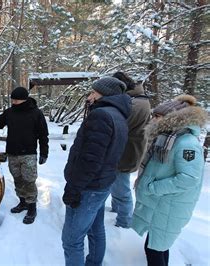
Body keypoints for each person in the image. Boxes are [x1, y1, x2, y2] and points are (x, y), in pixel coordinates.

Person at [62, 77, 131, 266]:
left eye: (93, 92)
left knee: (71, 240)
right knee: (95, 230)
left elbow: (90, 159)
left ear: (104, 94)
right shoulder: (118, 115)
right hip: (101, 183)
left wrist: (74, 188)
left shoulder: (101, 116)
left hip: (88, 187)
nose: (90, 95)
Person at [132, 95, 206, 266]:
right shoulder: (168, 138)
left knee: (155, 249)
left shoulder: (186, 143)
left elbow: (188, 179)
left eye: (158, 117)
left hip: (170, 205)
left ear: (172, 119)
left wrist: (153, 188)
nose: (153, 120)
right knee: (157, 245)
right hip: (162, 205)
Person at [0, 86, 49, 224]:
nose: (13, 102)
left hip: (29, 154)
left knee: (29, 181)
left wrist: (44, 152)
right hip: (13, 153)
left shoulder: (36, 113)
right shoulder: (10, 112)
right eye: (12, 99)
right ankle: (23, 202)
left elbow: (43, 135)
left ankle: (32, 208)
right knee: (18, 179)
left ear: (24, 100)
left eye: (16, 100)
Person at [110, 72, 151, 228]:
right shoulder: (136, 99)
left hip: (128, 151)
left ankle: (124, 222)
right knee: (117, 182)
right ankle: (116, 210)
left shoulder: (136, 103)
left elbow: (120, 125)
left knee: (122, 188)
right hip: (126, 149)